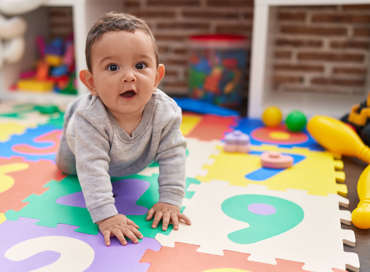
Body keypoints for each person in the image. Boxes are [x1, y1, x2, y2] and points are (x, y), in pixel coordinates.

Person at [56, 12, 190, 246]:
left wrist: (170, 200)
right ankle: (74, 110)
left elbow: (173, 156)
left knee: (160, 152)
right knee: (68, 169)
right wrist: (107, 216)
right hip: (81, 144)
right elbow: (92, 169)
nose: (129, 76)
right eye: (113, 67)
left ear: (157, 76)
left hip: (133, 155)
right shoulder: (89, 120)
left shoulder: (166, 112)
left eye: (140, 65)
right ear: (91, 82)